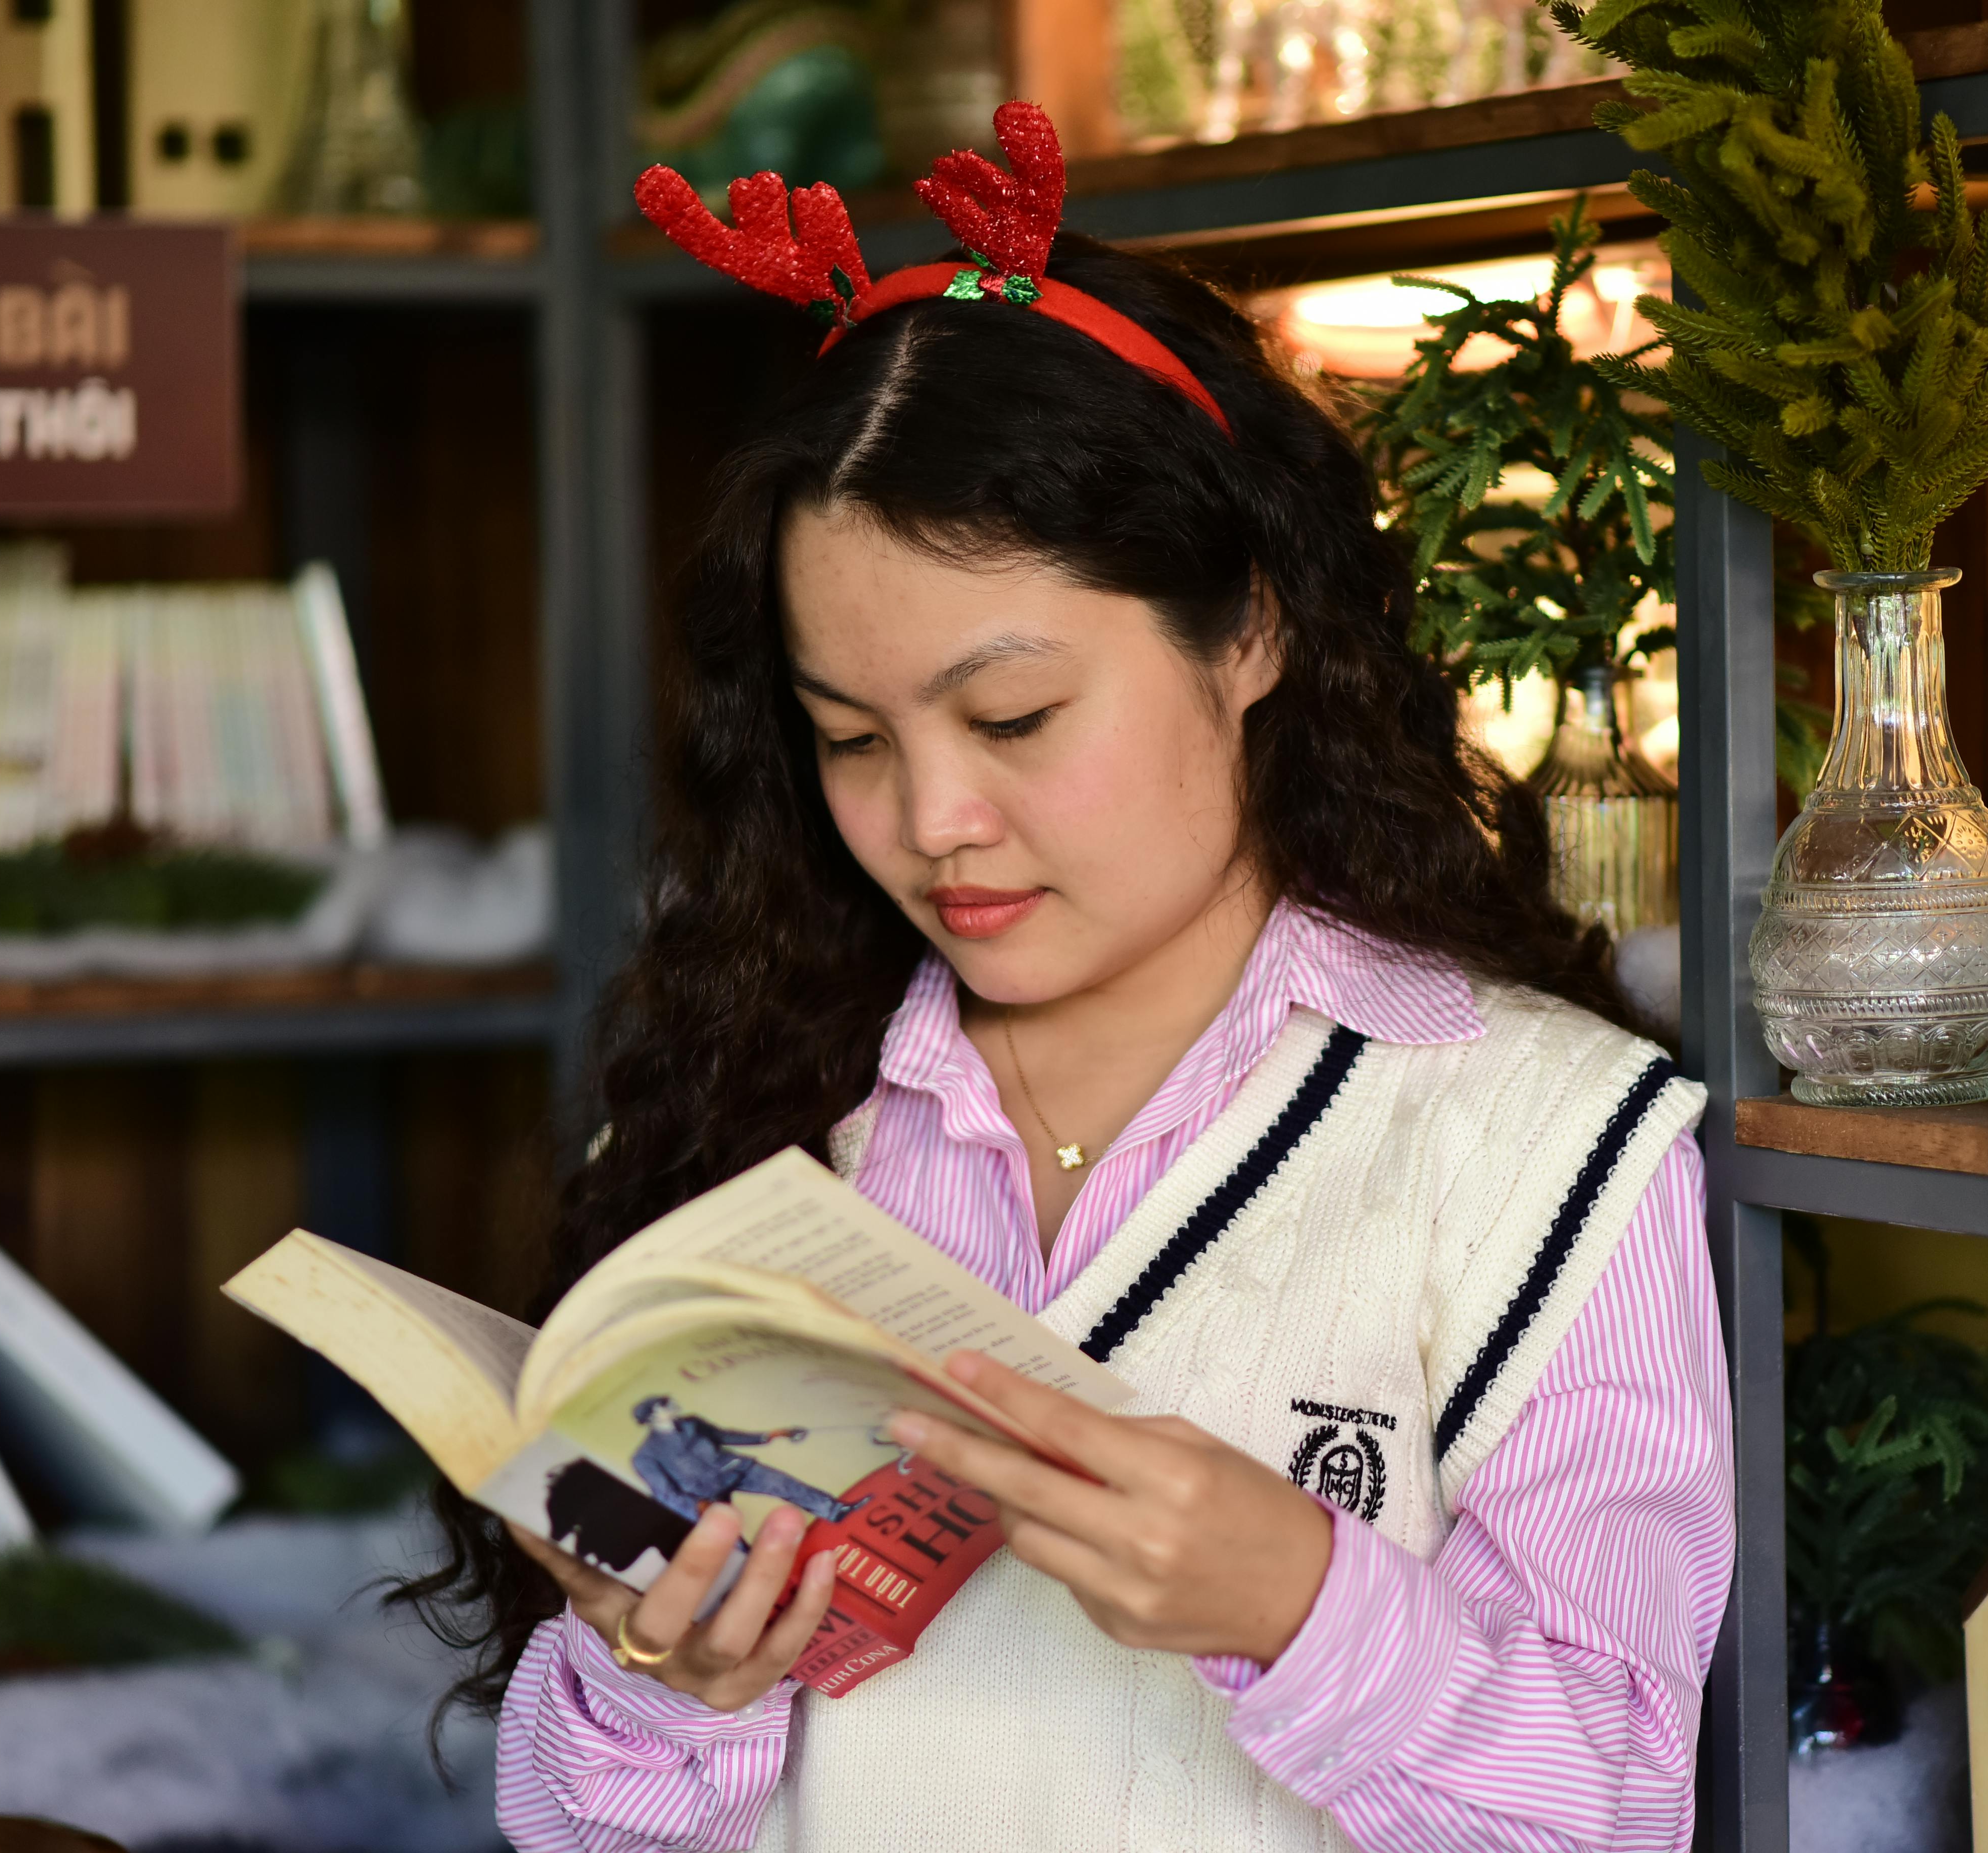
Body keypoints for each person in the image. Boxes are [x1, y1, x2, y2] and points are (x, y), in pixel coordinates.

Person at [408, 102, 1733, 1853]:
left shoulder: (1548, 1152)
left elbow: (1622, 1807)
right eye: (849, 739)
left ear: (1251, 628)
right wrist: (663, 1677)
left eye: (1015, 717)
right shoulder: (754, 1125)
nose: (935, 821)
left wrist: (1300, 1603)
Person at [624, 1397, 863, 1528]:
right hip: (704, 1495)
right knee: (726, 1538)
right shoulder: (646, 1455)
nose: (672, 1404)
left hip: (733, 1468)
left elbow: (726, 1436)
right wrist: (696, 1506)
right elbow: (664, 1494)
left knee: (783, 1483)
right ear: (653, 1416)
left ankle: (834, 1511)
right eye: (664, 1404)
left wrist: (769, 1435)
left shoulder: (692, 1423)